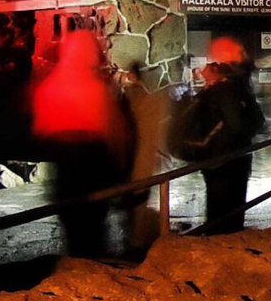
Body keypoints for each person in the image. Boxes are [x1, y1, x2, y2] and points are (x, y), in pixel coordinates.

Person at [31, 29, 134, 257]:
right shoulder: (96, 89)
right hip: (92, 169)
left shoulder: (51, 86)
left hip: (65, 171)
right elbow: (116, 131)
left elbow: (40, 127)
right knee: (94, 233)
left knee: (74, 232)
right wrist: (121, 170)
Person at [187, 37, 265, 234]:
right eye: (240, 52)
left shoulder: (215, 88)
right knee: (228, 214)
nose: (245, 55)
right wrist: (250, 125)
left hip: (216, 158)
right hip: (228, 159)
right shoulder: (229, 88)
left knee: (219, 210)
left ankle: (219, 247)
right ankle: (225, 251)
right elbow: (240, 124)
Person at [121, 64, 169, 257]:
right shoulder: (149, 99)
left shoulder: (130, 99)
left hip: (134, 158)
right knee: (138, 198)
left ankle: (136, 241)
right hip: (142, 158)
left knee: (135, 200)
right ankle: (137, 239)